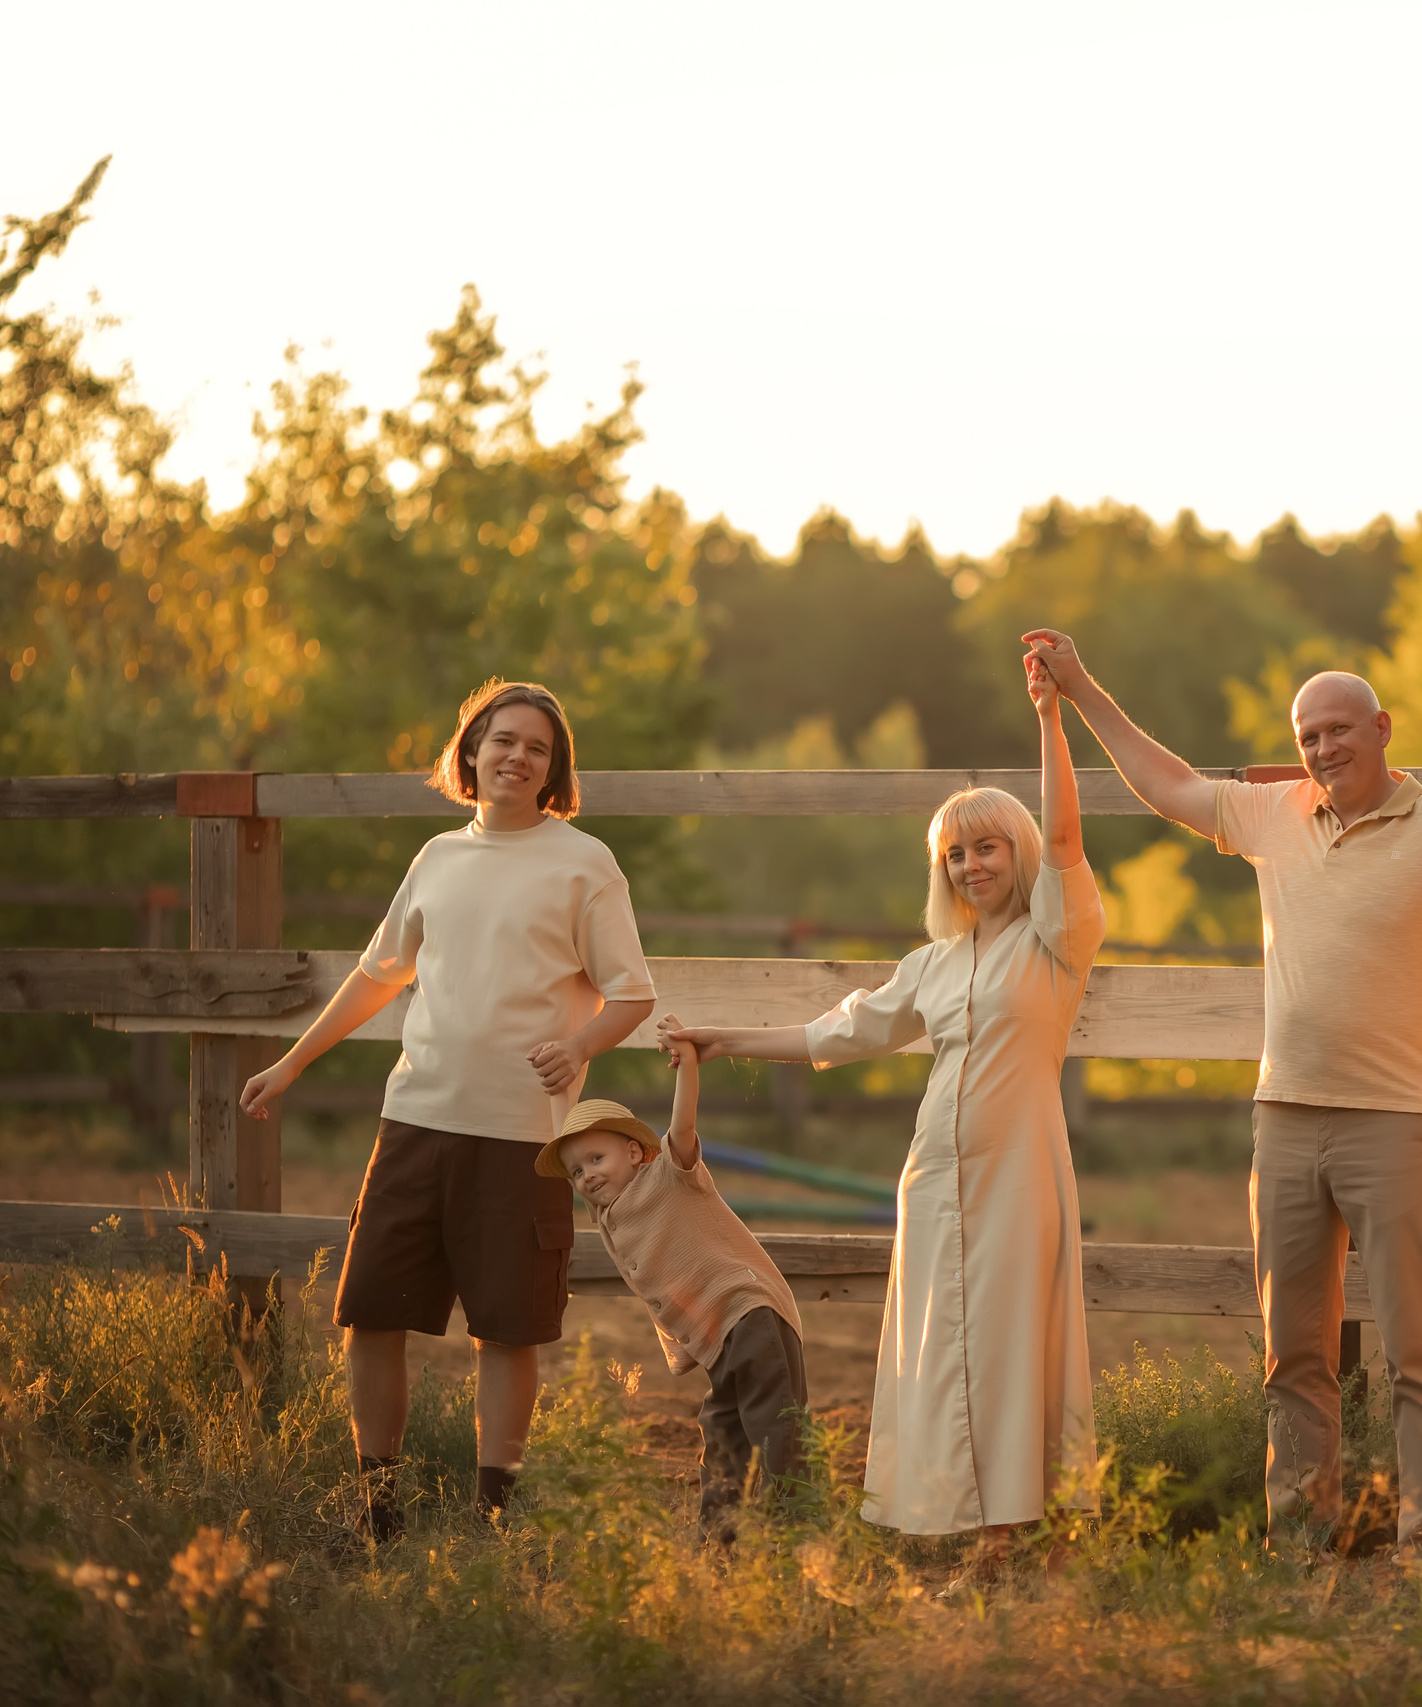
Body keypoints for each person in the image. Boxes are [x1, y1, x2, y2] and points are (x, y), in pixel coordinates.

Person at [1019, 628, 1422, 1553]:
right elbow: (1167, 783)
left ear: (1381, 727)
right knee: (1293, 1355)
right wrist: (1081, 685)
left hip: (1400, 1122)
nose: (1323, 748)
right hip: (1286, 1117)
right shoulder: (1274, 814)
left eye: (1338, 729)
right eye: (1308, 736)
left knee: (1419, 1355)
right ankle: (1299, 1545)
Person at [657, 650, 1101, 1577]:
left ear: (1018, 850)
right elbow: (840, 1031)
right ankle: (959, 1518)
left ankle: (1020, 1530)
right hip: (932, 1177)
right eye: (955, 854)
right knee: (941, 1344)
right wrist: (724, 1039)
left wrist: (1052, 717)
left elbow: (1065, 834)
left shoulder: (1057, 937)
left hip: (1019, 1170)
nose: (971, 865)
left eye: (987, 847)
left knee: (1013, 1337)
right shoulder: (932, 964)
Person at [239, 680, 657, 1540]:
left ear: (554, 770)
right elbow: (376, 974)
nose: (517, 757)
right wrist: (291, 1061)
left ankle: (491, 1518)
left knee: (506, 1331)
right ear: (470, 751)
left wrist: (579, 1045)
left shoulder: (585, 862)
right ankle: (377, 1510)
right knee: (370, 1314)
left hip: (524, 1138)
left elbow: (632, 993)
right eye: (502, 740)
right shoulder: (436, 857)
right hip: (416, 1122)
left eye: (537, 748)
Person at [539, 1037, 806, 1539]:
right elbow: (565, 1139)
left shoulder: (670, 1174)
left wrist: (686, 1062)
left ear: (634, 1152)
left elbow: (682, 1123)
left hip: (750, 1312)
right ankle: (719, 1541)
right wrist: (557, 1089)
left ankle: (795, 1536)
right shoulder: (606, 1211)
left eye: (596, 1159)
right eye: (577, 1171)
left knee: (775, 1430)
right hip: (715, 1339)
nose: (587, 1175)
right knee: (722, 1432)